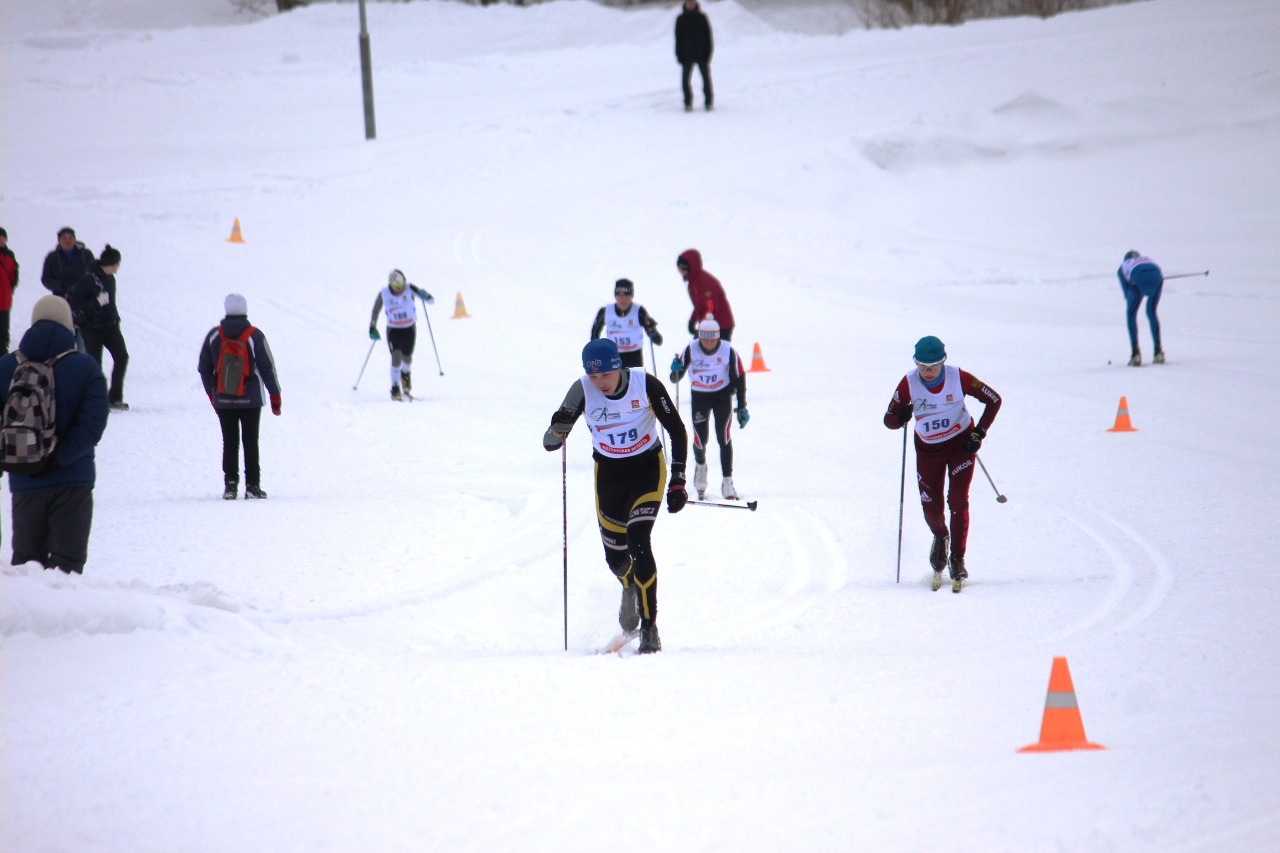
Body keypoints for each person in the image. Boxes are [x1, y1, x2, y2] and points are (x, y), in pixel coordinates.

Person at [542, 338, 689, 654]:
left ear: (618, 367)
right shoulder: (582, 390)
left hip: (647, 470)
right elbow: (551, 440)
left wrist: (677, 479)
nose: (600, 383)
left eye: (605, 375)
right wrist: (559, 426)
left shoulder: (645, 385)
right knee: (616, 558)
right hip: (608, 476)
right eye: (593, 377)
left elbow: (677, 430)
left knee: (638, 539)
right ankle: (629, 586)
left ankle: (650, 629)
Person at [882, 335, 1001, 592]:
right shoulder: (909, 382)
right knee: (931, 510)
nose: (926, 371)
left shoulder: (959, 377)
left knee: (958, 500)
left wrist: (978, 433)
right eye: (921, 365)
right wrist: (900, 416)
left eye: (932, 366)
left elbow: (994, 399)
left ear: (943, 362)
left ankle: (957, 558)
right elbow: (889, 419)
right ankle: (940, 536)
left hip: (960, 447)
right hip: (928, 451)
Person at [0, 296, 108, 574]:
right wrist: (60, 457)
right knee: (67, 569)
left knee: (26, 566)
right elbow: (92, 425)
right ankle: (66, 618)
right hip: (73, 480)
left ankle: (31, 619)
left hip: (24, 479)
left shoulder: (5, 367)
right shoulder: (86, 367)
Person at [198, 294, 282, 500]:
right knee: (250, 441)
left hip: (223, 398)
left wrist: (212, 394)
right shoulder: (254, 335)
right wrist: (275, 396)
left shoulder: (214, 335)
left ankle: (230, 486)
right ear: (245, 310)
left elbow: (204, 368)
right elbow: (267, 367)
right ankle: (253, 486)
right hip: (250, 398)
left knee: (229, 441)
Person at [669, 313, 748, 501]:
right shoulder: (692, 348)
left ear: (718, 337)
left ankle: (727, 480)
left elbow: (740, 377)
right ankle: (701, 467)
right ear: (700, 337)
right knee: (700, 438)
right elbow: (675, 379)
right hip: (700, 397)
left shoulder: (728, 350)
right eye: (704, 339)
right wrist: (676, 369)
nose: (708, 344)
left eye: (712, 340)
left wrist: (742, 407)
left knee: (724, 436)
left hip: (721, 396)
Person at [69, 244, 129, 412]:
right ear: (111, 263)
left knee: (122, 357)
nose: (117, 269)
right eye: (117, 264)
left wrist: (115, 317)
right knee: (95, 364)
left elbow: (111, 302)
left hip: (110, 326)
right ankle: (96, 399)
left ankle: (115, 397)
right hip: (92, 328)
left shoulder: (110, 278)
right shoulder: (87, 280)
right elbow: (75, 305)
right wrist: (96, 302)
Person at [368, 269, 434, 401]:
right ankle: (395, 388)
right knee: (396, 357)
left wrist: (425, 295)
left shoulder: (410, 288)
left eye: (401, 285)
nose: (400, 289)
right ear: (391, 285)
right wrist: (372, 327)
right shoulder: (384, 294)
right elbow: (376, 310)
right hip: (393, 330)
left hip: (409, 328)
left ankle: (406, 376)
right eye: (396, 287)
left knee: (407, 358)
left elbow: (431, 301)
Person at [589, 278, 663, 370]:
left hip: (634, 357)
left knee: (634, 382)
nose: (622, 298)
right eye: (619, 295)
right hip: (613, 357)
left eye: (626, 295)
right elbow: (594, 334)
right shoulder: (606, 311)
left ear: (632, 296)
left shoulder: (639, 311)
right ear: (615, 296)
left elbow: (658, 341)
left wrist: (652, 330)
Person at [1117, 250, 1165, 366]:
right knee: (1152, 312)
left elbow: (1126, 294)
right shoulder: (1147, 258)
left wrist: (1139, 291)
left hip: (1139, 280)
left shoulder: (1123, 267)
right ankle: (1158, 352)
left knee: (1131, 315)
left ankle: (1135, 354)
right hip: (1157, 277)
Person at [677, 248, 734, 341]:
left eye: (682, 268)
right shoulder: (693, 282)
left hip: (720, 326)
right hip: (709, 325)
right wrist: (692, 321)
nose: (680, 272)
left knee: (715, 354)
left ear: (690, 268)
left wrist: (703, 326)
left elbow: (711, 308)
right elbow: (699, 306)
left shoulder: (706, 284)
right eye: (679, 268)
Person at [675, 0, 714, 112]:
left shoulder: (702, 17)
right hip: (686, 55)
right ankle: (688, 102)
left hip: (702, 54)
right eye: (688, 3)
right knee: (685, 81)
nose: (690, 5)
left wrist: (708, 53)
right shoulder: (680, 19)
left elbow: (708, 36)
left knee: (706, 79)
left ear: (695, 4)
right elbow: (678, 39)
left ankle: (708, 102)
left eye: (692, 2)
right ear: (685, 4)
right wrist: (679, 54)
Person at [40, 227, 94, 298]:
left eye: (70, 238)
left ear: (75, 240)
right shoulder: (52, 257)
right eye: (64, 238)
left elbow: (95, 274)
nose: (67, 240)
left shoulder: (86, 254)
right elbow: (46, 279)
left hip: (84, 298)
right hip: (61, 300)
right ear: (59, 241)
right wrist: (61, 284)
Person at [0, 227, 18, 353]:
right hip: (5, 298)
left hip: (4, 300)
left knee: (3, 330)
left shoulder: (10, 255)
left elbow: (14, 276)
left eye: (2, 238)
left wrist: (9, 290)